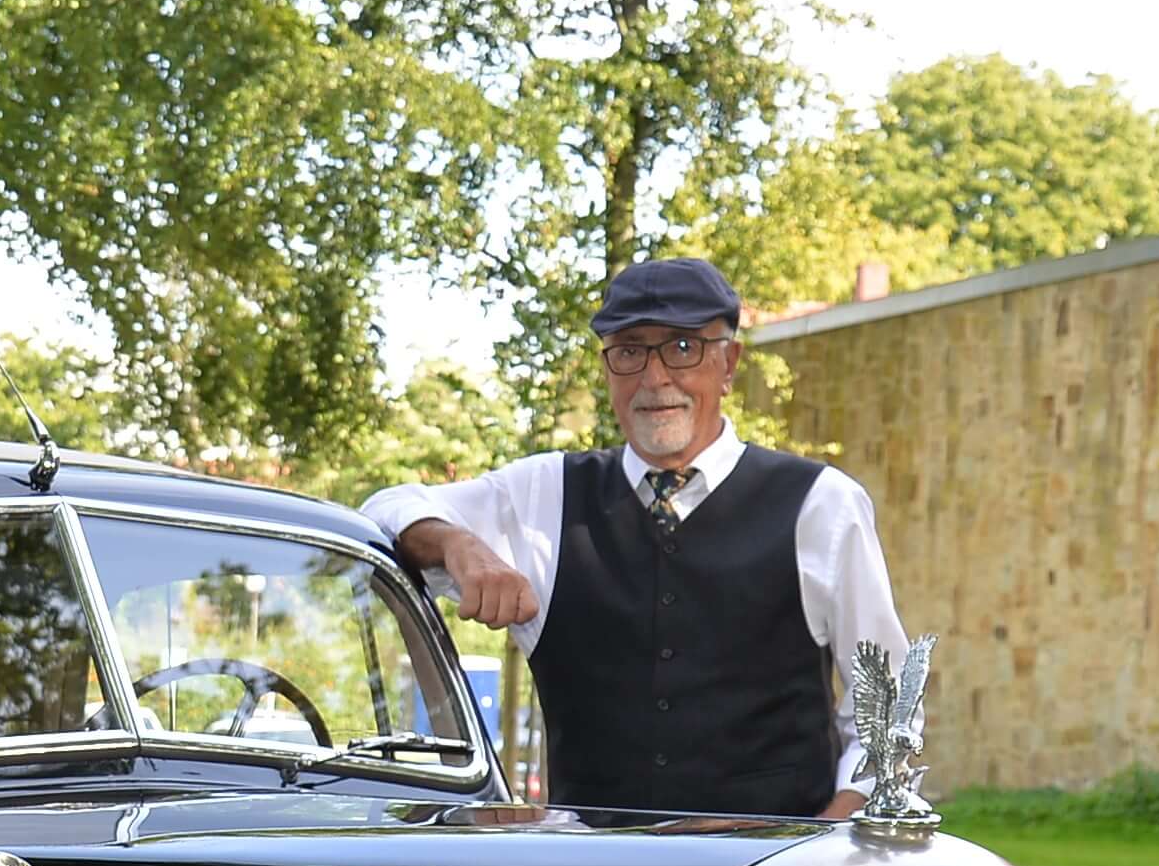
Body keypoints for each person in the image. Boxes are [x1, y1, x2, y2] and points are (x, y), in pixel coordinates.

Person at [365, 255, 908, 821]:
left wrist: (823, 844)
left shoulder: (820, 504)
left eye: (682, 348)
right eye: (629, 351)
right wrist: (460, 546)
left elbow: (889, 715)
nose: (654, 379)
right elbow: (385, 510)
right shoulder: (547, 494)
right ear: (607, 370)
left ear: (729, 364)